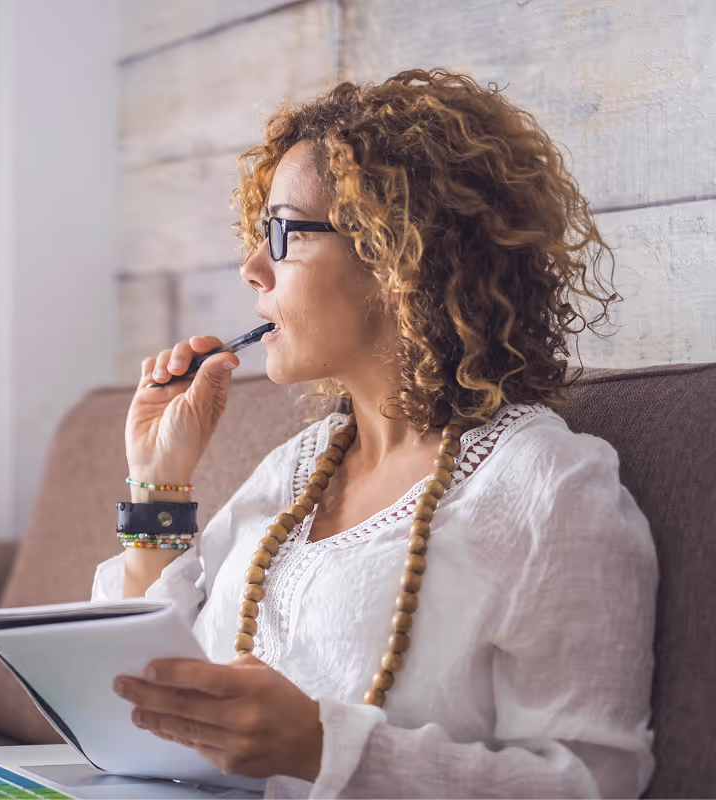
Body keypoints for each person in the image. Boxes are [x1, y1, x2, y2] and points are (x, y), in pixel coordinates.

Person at [96, 69, 657, 799]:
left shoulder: (548, 486)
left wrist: (319, 746)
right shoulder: (295, 470)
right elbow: (149, 696)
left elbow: (596, 782)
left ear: (398, 255)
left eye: (283, 233)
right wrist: (156, 484)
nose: (251, 268)